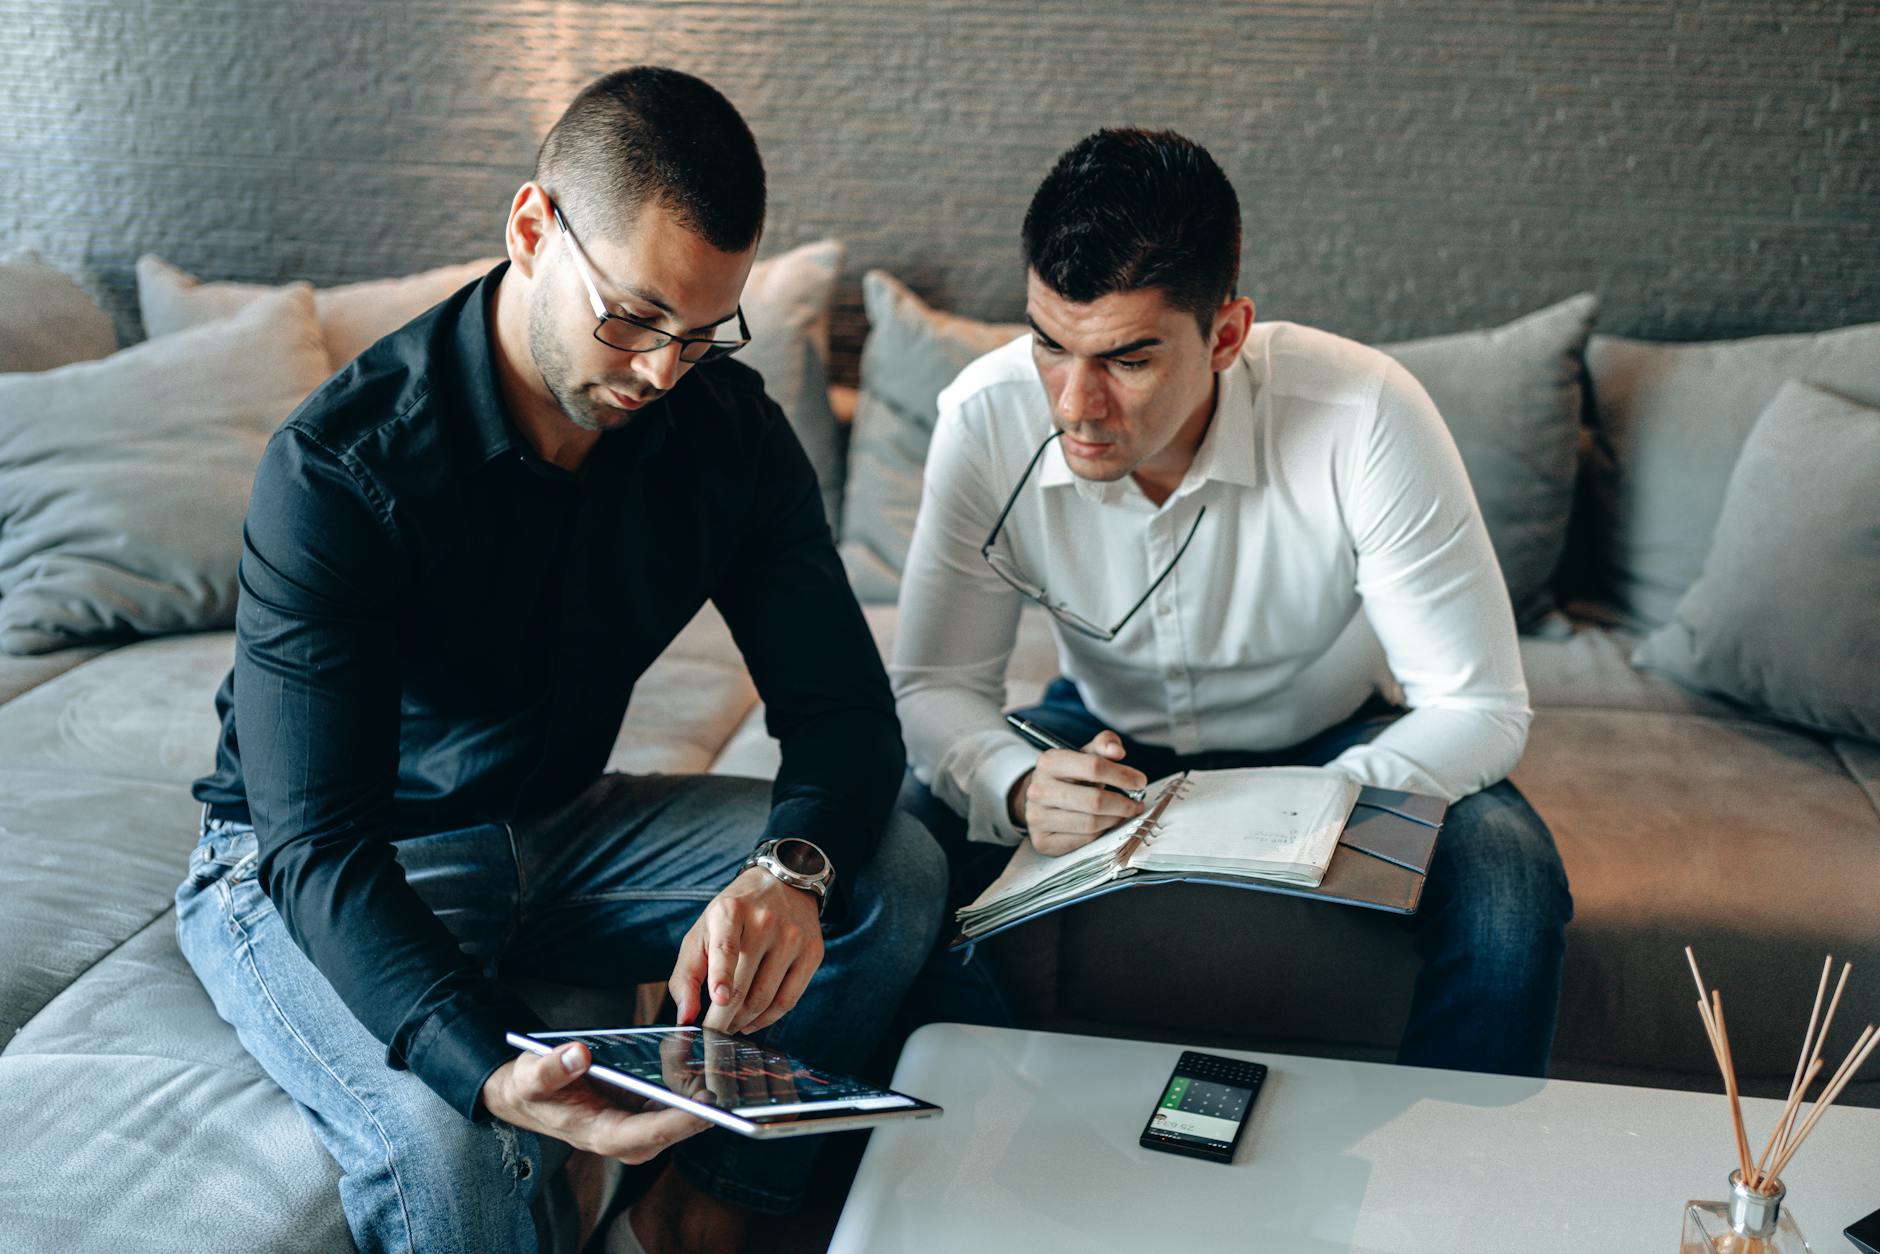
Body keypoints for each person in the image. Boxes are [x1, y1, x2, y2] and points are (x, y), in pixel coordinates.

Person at [175, 66, 943, 1254]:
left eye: (701, 332)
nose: (661, 373)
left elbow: (843, 714)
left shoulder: (720, 430)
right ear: (531, 228)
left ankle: (709, 1210)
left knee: (888, 868)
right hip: (337, 856)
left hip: (556, 827)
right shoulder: (342, 468)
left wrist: (784, 873)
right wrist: (484, 1071)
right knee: (452, 1141)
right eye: (632, 317)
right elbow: (315, 845)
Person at [893, 128, 1572, 1078]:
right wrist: (1012, 782)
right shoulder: (984, 416)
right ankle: (1007, 1121)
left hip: (1337, 750)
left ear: (1225, 334)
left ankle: (1445, 1196)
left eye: (1127, 360)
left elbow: (1480, 706)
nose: (1074, 407)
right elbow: (931, 685)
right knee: (889, 850)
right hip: (1099, 740)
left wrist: (1323, 800)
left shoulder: (1366, 413)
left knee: (1509, 882)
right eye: (1050, 345)